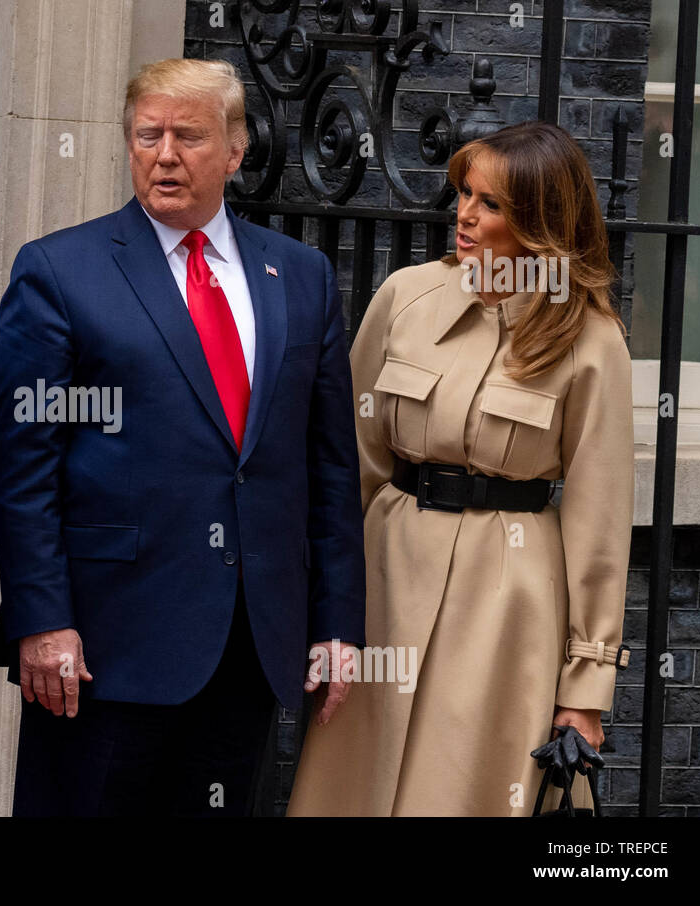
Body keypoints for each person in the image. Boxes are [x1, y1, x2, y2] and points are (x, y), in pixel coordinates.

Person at [0, 58, 365, 816]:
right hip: (101, 646)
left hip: (251, 643)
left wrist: (338, 624)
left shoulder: (302, 275)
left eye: (187, 136)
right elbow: (23, 465)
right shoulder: (61, 272)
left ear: (235, 149)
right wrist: (42, 617)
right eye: (147, 135)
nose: (164, 154)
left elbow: (328, 467)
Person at [287, 120, 633, 816]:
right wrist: (322, 606)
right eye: (464, 194)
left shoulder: (590, 338)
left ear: (540, 222)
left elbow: (600, 523)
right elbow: (347, 463)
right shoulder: (406, 297)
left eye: (492, 204)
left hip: (508, 603)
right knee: (353, 784)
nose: (466, 216)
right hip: (386, 574)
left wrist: (585, 691)